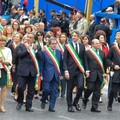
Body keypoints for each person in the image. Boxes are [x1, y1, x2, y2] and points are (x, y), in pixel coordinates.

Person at [16, 33, 42, 112]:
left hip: (32, 71)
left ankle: (28, 106)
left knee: (31, 91)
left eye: (30, 37)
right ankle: (20, 101)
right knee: (20, 87)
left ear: (34, 39)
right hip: (23, 71)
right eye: (27, 37)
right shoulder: (22, 46)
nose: (28, 38)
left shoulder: (37, 47)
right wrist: (28, 50)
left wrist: (35, 50)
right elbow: (19, 55)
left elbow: (40, 57)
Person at [63, 30, 87, 112]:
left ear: (78, 37)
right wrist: (66, 70)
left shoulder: (82, 46)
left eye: (75, 36)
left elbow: (84, 59)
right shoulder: (68, 46)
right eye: (72, 36)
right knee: (69, 89)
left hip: (80, 70)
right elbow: (65, 60)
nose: (73, 37)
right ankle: (69, 106)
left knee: (81, 87)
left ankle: (75, 102)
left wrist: (87, 70)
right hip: (70, 70)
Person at [82, 39, 106, 112]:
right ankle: (85, 99)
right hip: (91, 74)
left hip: (99, 74)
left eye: (99, 43)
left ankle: (94, 107)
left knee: (97, 91)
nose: (99, 44)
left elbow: (104, 64)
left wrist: (104, 72)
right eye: (97, 43)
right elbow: (85, 63)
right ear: (92, 44)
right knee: (90, 88)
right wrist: (87, 71)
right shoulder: (88, 52)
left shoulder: (102, 53)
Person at [40, 37, 63, 112]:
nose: (54, 45)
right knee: (46, 90)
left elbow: (61, 64)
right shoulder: (44, 52)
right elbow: (41, 64)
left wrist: (61, 74)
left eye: (55, 44)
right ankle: (43, 100)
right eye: (52, 44)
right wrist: (41, 74)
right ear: (49, 44)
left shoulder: (59, 52)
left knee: (54, 91)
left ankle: (51, 106)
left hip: (56, 74)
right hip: (47, 74)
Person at [107, 32, 120, 111]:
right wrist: (113, 65)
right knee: (113, 89)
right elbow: (108, 59)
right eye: (117, 35)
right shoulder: (113, 47)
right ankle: (110, 104)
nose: (118, 36)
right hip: (117, 71)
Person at [0, 35, 12, 113]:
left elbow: (9, 61)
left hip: (3, 70)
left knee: (3, 88)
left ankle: (2, 105)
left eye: (4, 41)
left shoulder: (8, 50)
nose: (2, 42)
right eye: (1, 41)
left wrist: (3, 61)